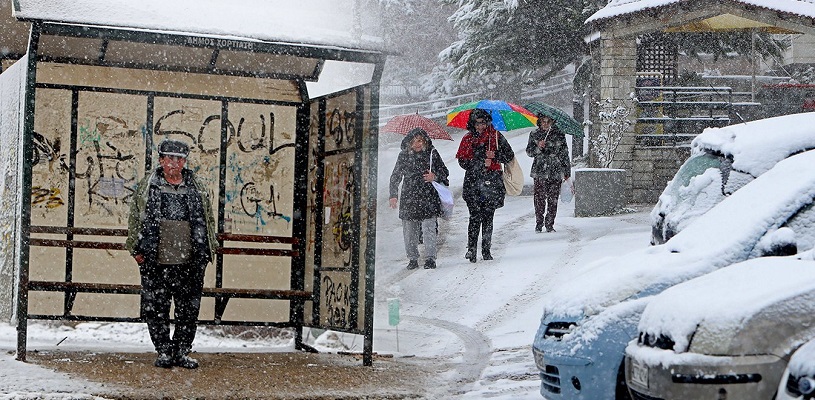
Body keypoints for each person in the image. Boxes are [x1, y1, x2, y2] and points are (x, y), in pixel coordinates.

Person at [125, 138, 217, 369]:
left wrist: (206, 251)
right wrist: (136, 249)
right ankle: (164, 351)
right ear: (161, 160)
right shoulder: (148, 186)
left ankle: (182, 351)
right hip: (155, 260)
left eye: (180, 159)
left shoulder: (196, 187)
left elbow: (208, 219)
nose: (175, 163)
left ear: (185, 161)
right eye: (170, 158)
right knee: (157, 309)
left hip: (190, 262)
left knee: (188, 310)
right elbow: (135, 218)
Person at [456, 109, 515, 263]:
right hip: (473, 182)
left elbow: (509, 155)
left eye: (483, 123)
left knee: (488, 216)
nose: (480, 126)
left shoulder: (495, 137)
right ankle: (471, 249)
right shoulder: (467, 139)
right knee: (474, 216)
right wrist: (480, 162)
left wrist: (495, 156)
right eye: (477, 123)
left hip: (492, 181)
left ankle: (486, 249)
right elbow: (462, 161)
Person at [389, 128, 450, 270]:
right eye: (414, 141)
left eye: (420, 141)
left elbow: (444, 172)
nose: (417, 144)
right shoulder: (403, 156)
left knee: (429, 230)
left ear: (425, 141)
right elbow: (396, 176)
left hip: (428, 196)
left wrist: (434, 176)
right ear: (409, 143)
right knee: (409, 231)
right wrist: (393, 195)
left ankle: (430, 258)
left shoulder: (432, 153)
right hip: (409, 197)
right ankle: (412, 259)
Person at [526, 114, 571, 233]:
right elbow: (529, 152)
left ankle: (550, 224)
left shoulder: (559, 134)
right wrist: (538, 148)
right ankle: (539, 223)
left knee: (553, 199)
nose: (545, 124)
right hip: (539, 171)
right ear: (539, 122)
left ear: (552, 122)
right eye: (543, 121)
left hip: (555, 171)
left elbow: (564, 154)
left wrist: (567, 171)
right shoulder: (534, 134)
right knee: (539, 199)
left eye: (548, 121)